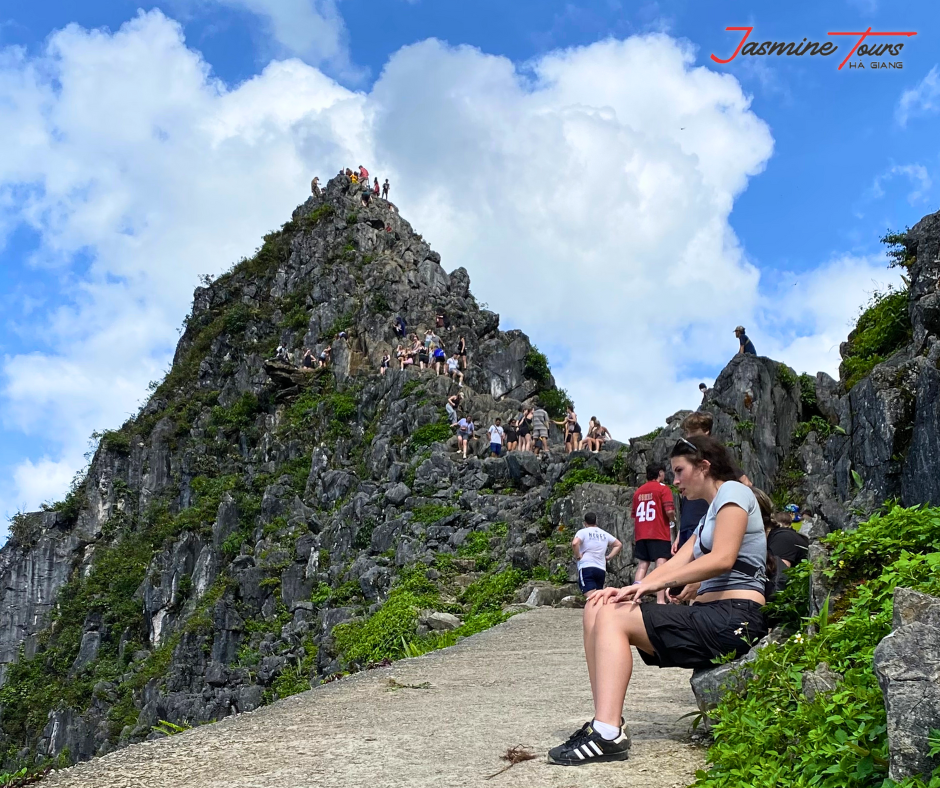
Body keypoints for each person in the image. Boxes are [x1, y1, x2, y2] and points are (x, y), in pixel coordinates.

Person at [545, 434, 768, 766]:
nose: (675, 481)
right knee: (599, 605)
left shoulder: (735, 492)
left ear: (704, 467)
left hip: (735, 618)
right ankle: (605, 722)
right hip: (714, 614)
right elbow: (683, 558)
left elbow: (722, 558)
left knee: (613, 618)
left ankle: (607, 735)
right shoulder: (711, 511)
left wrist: (656, 584)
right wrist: (634, 589)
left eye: (680, 471)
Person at [632, 464, 676, 605]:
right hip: (658, 532)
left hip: (641, 533)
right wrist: (673, 519)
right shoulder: (663, 489)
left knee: (642, 566)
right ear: (660, 473)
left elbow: (634, 514)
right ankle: (660, 599)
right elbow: (669, 510)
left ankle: (635, 596)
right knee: (660, 566)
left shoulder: (638, 492)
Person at [572, 512, 623, 594]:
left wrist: (578, 556)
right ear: (596, 521)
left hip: (587, 567)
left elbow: (575, 543)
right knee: (597, 596)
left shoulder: (582, 532)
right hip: (600, 569)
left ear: (585, 523)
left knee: (591, 596)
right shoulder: (604, 534)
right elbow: (618, 545)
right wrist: (609, 557)